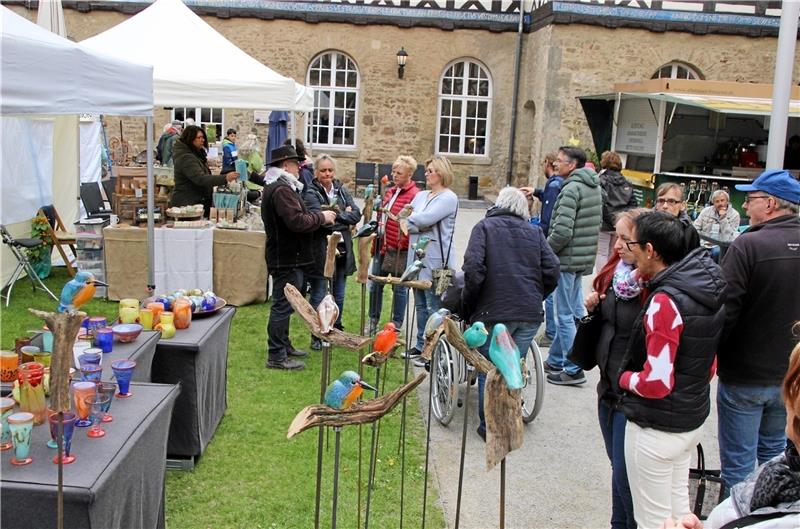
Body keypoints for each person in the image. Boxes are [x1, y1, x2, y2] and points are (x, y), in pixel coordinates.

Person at [619, 211, 726, 529]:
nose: (629, 251)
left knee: (653, 522)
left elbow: (657, 382)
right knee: (682, 517)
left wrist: (625, 378)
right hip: (689, 422)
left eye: (633, 244)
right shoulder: (708, 289)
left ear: (650, 250)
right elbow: (710, 365)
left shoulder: (666, 301)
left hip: (656, 428)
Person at [716, 169, 800, 491]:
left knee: (738, 468)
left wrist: (709, 355)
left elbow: (725, 310)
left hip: (745, 376)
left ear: (770, 204)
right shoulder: (748, 244)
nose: (746, 207)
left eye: (750, 200)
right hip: (791, 375)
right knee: (777, 462)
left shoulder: (747, 246)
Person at [461, 186, 559, 441]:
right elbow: (552, 270)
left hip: (493, 310)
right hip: (528, 312)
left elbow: (473, 269)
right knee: (514, 364)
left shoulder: (484, 228)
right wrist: (537, 295)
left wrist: (470, 303)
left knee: (491, 369)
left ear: (498, 205)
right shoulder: (535, 232)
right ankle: (508, 418)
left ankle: (491, 427)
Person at [584, 207, 649, 529]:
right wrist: (594, 305)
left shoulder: (654, 288)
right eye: (617, 237)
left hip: (632, 393)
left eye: (626, 239)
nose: (618, 245)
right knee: (617, 469)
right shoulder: (616, 274)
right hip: (607, 386)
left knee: (627, 476)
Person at [706, 340, 800, 529]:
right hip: (764, 372)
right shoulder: (787, 467)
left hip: (744, 375)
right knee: (773, 451)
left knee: (738, 467)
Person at [261, 145, 337, 370]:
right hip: (286, 257)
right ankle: (276, 354)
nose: (299, 169)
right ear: (286, 165)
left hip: (287, 256)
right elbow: (297, 222)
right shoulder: (281, 190)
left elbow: (297, 218)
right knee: (282, 305)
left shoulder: (280, 187)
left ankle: (283, 345)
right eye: (297, 164)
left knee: (287, 304)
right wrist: (321, 217)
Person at [544, 146, 602, 386]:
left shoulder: (570, 189)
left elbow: (562, 231)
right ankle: (557, 359)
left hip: (567, 260)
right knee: (573, 311)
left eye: (559, 161)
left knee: (564, 316)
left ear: (572, 165)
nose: (555, 164)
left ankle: (574, 367)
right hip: (581, 259)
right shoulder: (593, 186)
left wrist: (544, 251)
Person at [303, 154, 361, 349]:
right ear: (316, 172)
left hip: (343, 250)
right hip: (321, 249)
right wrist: (344, 216)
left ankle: (335, 328)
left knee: (339, 293)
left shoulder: (341, 190)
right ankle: (317, 333)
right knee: (320, 293)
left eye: (330, 170)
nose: (327, 174)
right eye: (323, 170)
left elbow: (356, 215)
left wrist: (337, 216)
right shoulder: (310, 191)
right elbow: (319, 221)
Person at [404, 155, 459, 361]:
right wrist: (417, 223)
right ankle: (420, 345)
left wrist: (416, 221)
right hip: (417, 258)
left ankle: (434, 351)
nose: (426, 174)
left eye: (430, 170)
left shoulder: (448, 197)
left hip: (440, 263)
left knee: (436, 307)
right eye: (426, 171)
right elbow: (407, 219)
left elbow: (426, 218)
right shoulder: (421, 196)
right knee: (419, 304)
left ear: (442, 172)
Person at [367, 155, 420, 334]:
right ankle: (372, 320)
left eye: (399, 173)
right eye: (393, 172)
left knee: (399, 288)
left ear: (409, 175)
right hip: (382, 244)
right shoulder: (390, 191)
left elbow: (410, 224)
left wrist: (401, 242)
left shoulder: (415, 195)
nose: (395, 175)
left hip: (400, 250)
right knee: (376, 285)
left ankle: (396, 325)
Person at [521, 152, 561, 348]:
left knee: (552, 292)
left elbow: (549, 216)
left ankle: (551, 332)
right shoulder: (556, 185)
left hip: (548, 240)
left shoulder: (554, 184)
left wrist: (539, 239)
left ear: (548, 164)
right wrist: (536, 191)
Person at [170, 125, 238, 217]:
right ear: (190, 139)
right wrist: (225, 178)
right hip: (188, 205)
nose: (202, 140)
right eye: (199, 137)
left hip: (196, 202)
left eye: (203, 137)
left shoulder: (195, 154)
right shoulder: (186, 157)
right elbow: (200, 178)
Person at [596, 150, 637, 272]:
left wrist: (609, 218)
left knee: (601, 253)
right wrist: (623, 219)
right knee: (613, 252)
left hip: (604, 223)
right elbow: (633, 204)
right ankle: (610, 277)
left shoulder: (600, 180)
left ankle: (600, 279)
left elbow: (600, 202)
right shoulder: (626, 182)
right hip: (620, 224)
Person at [692, 189, 740, 262]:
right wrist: (701, 242)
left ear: (727, 201)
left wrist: (723, 219)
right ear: (713, 203)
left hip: (721, 245)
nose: (720, 203)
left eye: (722, 200)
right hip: (704, 243)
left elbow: (729, 237)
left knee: (716, 252)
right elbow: (695, 228)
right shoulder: (706, 211)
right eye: (717, 201)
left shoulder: (734, 215)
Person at [654, 182, 701, 252]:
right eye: (661, 201)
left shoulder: (689, 232)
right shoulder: (645, 226)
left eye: (671, 201)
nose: (665, 206)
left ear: (682, 205)